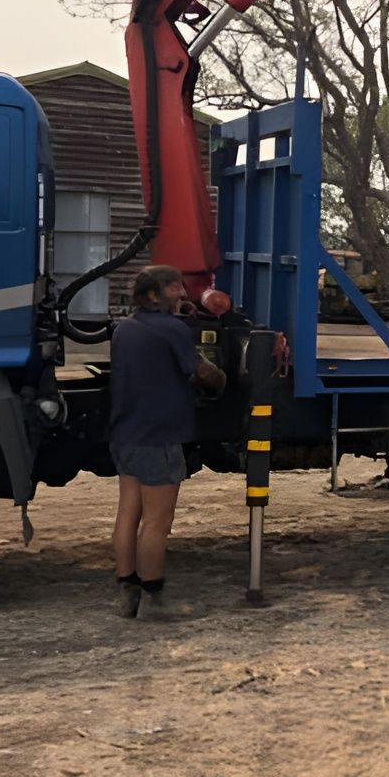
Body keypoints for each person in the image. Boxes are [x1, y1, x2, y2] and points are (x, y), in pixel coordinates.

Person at [109, 265, 223, 618]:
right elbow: (198, 371)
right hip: (159, 436)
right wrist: (220, 379)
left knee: (128, 513)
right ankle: (153, 599)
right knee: (158, 521)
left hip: (125, 434)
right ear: (154, 295)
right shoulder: (172, 330)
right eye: (174, 289)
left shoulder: (124, 330)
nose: (183, 294)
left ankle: (128, 594)